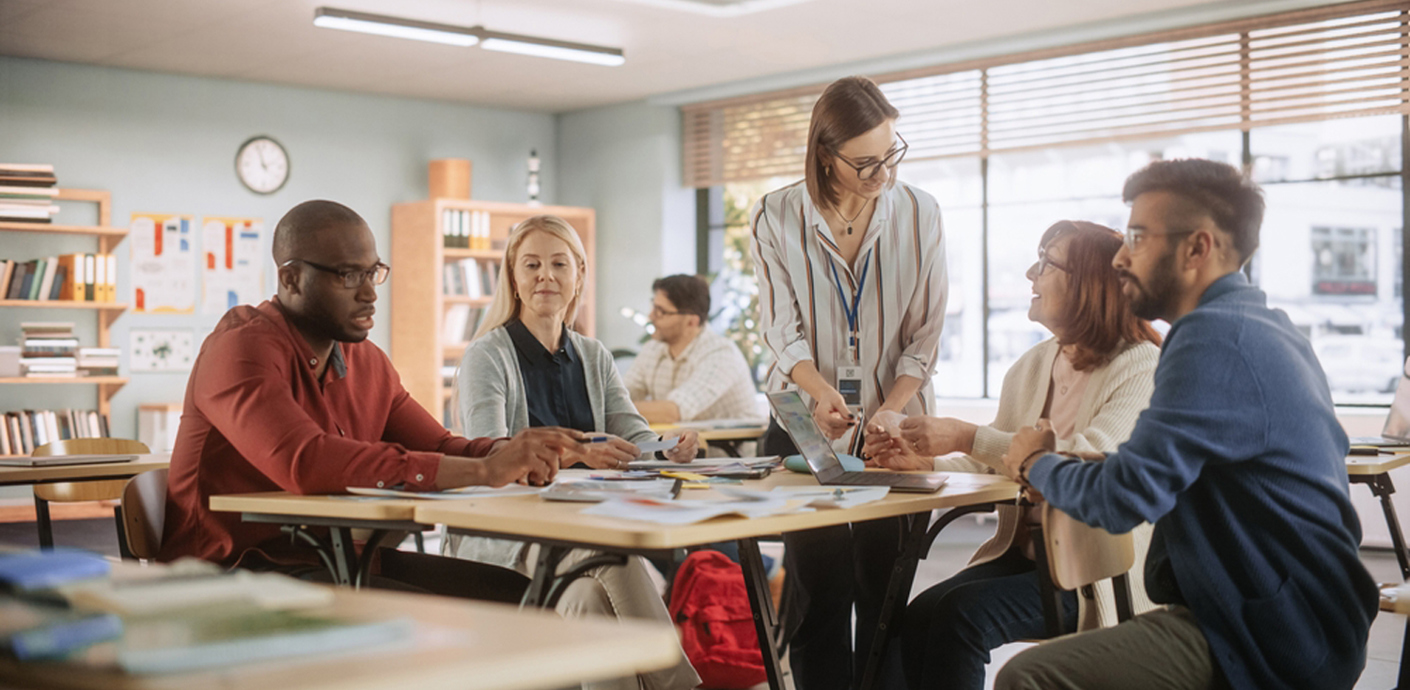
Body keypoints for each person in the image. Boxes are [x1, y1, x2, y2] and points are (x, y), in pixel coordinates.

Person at [995, 159, 1377, 690]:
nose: (1121, 258)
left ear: (1198, 248)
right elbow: (1152, 468)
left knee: (1029, 677)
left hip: (1268, 632)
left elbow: (1123, 499)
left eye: (1137, 238)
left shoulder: (1212, 339)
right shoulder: (1264, 325)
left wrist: (1036, 463)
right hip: (1303, 613)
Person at [159, 200, 578, 592]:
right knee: (483, 614)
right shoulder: (240, 348)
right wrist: (486, 471)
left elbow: (440, 446)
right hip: (231, 576)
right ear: (290, 278)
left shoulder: (367, 362)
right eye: (348, 275)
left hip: (339, 564)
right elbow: (305, 462)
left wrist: (520, 452)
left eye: (373, 272)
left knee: (518, 594)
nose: (370, 292)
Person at [861, 220, 1161, 690]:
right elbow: (992, 461)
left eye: (1046, 261)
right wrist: (927, 464)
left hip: (1099, 570)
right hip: (1032, 555)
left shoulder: (1140, 365)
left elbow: (1089, 462)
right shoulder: (1033, 365)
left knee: (960, 618)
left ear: (1088, 283)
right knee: (917, 616)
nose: (1029, 273)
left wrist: (965, 437)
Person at [749, 75, 948, 690]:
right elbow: (780, 328)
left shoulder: (920, 212)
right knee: (818, 591)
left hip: (896, 424)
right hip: (809, 425)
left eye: (891, 153)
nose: (881, 172)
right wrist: (818, 394)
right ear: (824, 156)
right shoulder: (777, 214)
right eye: (864, 162)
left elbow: (925, 334)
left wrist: (890, 409)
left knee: (884, 595)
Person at [446, 214, 701, 690]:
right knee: (615, 553)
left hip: (577, 530)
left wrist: (669, 449)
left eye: (559, 264)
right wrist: (579, 452)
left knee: (586, 600)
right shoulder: (487, 355)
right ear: (514, 279)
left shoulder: (593, 354)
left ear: (579, 275)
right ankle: (680, 685)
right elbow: (491, 456)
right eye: (533, 265)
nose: (546, 276)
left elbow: (634, 437)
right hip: (506, 535)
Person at [624, 274, 760, 424]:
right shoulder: (653, 349)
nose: (651, 317)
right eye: (653, 307)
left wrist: (615, 410)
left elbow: (672, 413)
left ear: (692, 322)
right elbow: (621, 396)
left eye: (661, 311)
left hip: (725, 446)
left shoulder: (721, 354)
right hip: (680, 445)